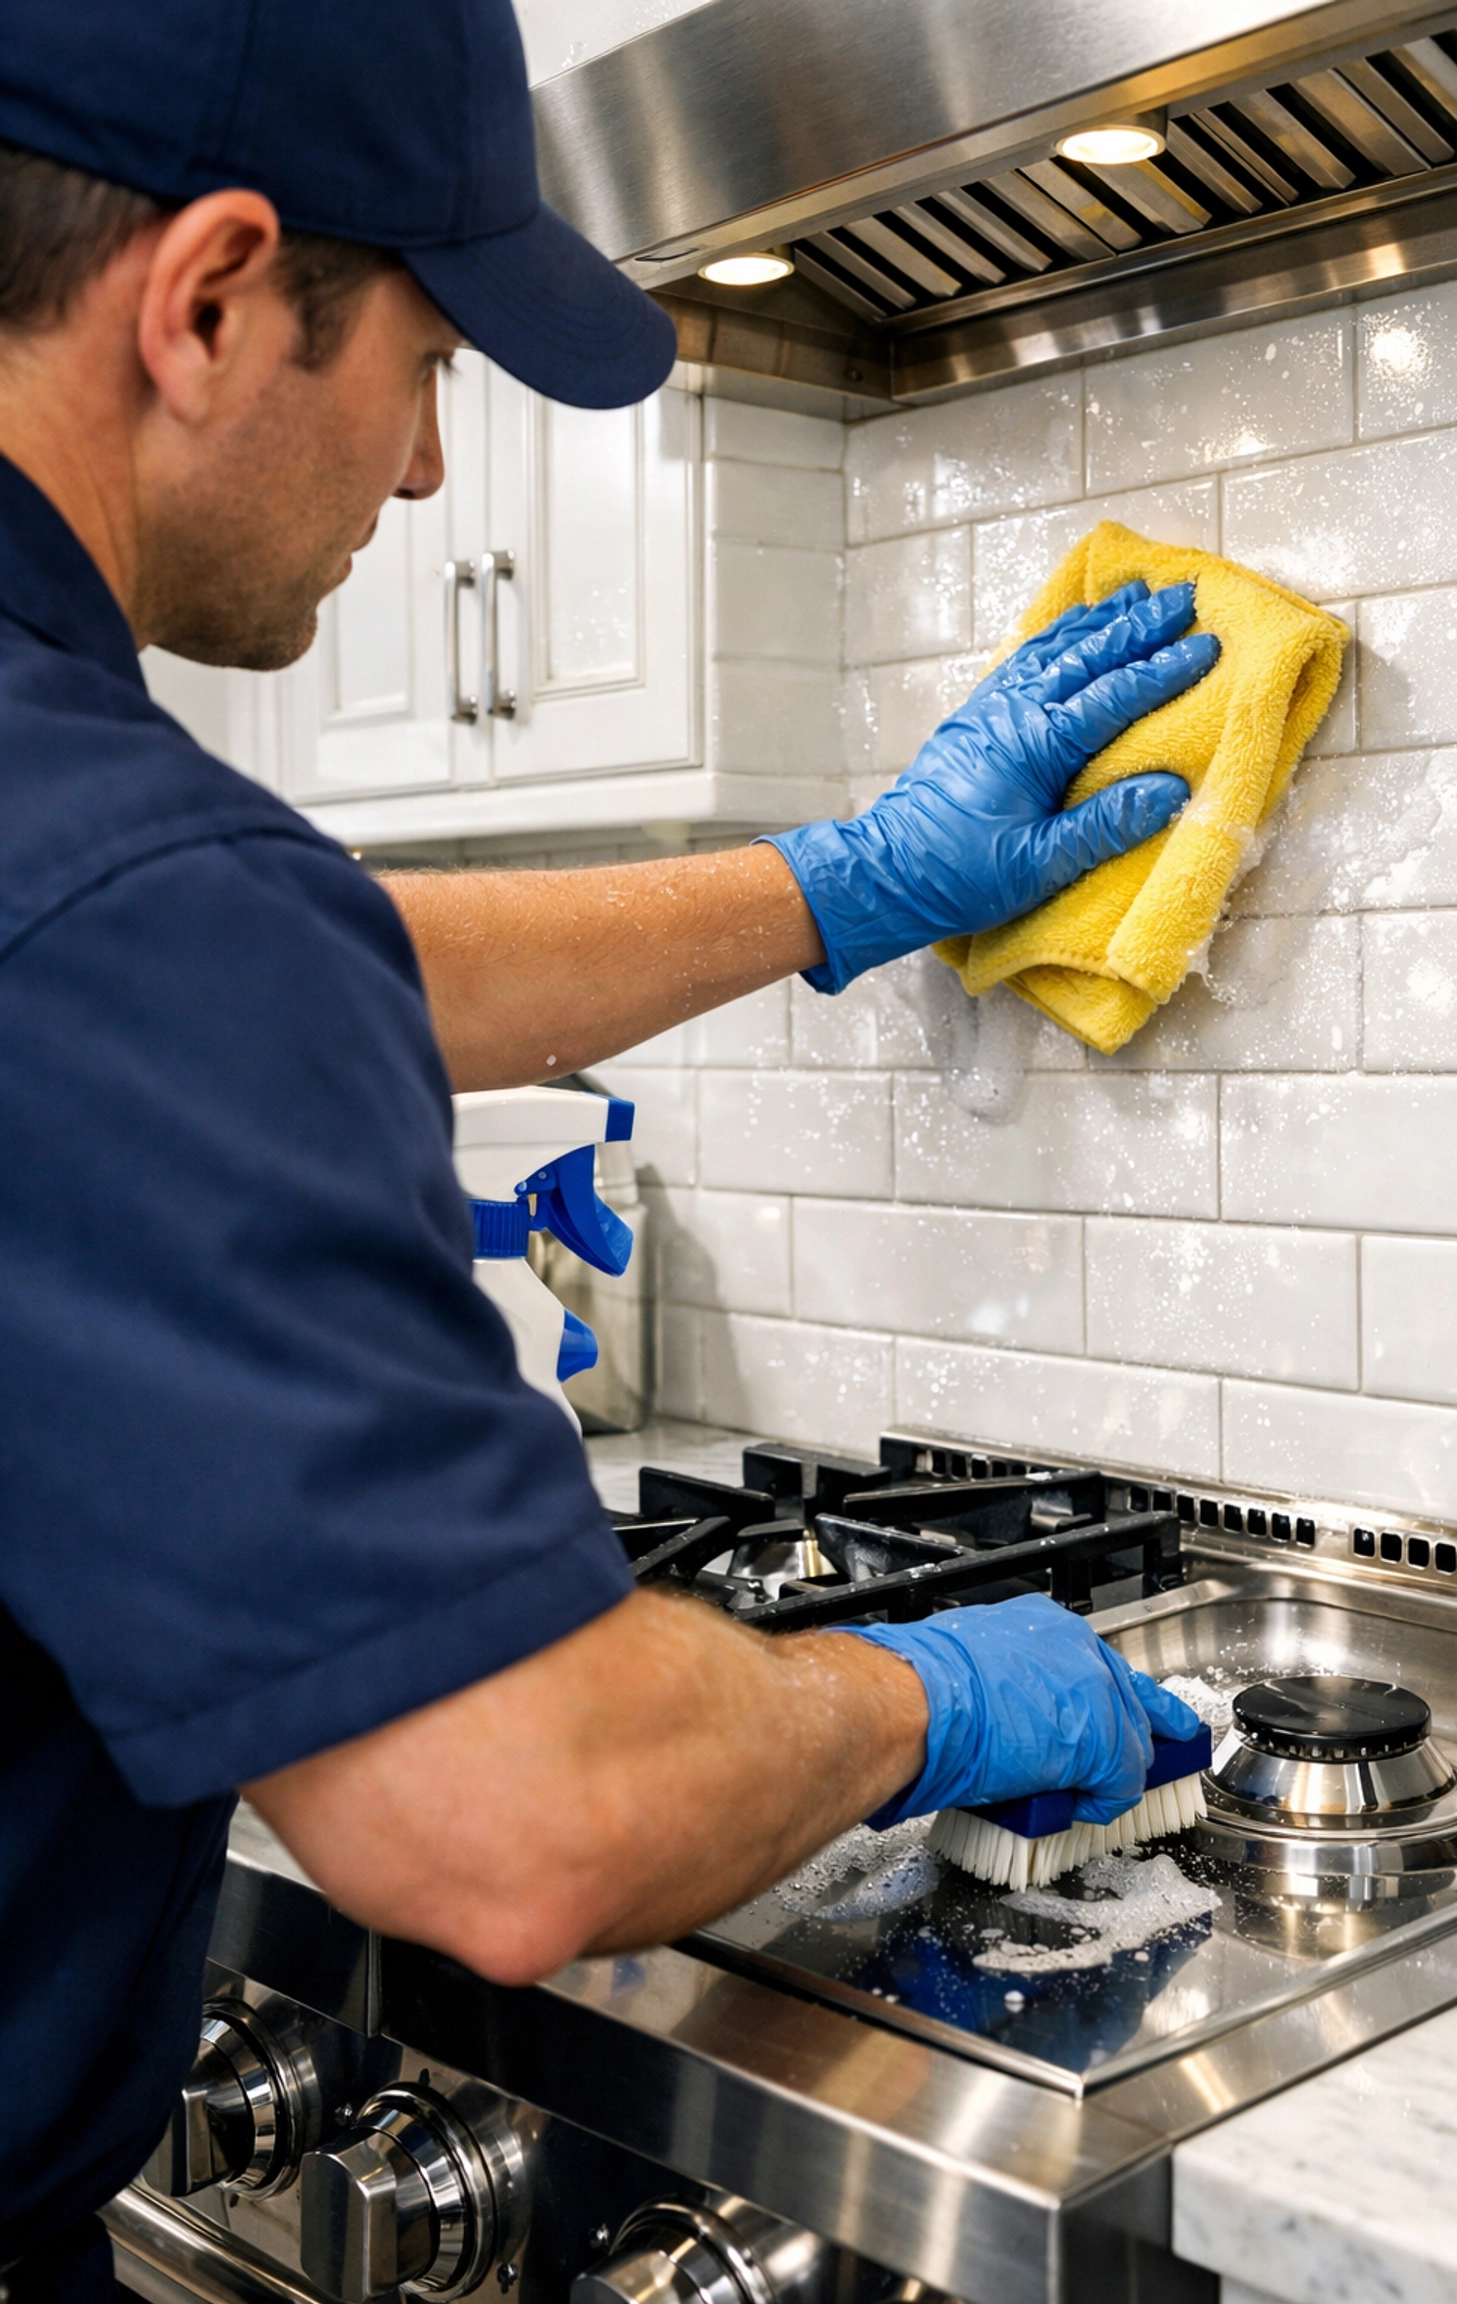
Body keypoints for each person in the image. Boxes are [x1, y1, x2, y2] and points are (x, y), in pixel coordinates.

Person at [0, 0, 1219, 2286]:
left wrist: (837, 885)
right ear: (210, 297)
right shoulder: (107, 884)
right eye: (429, 362)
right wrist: (922, 1696)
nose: (434, 476)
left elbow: (279, 962)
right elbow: (520, 1822)